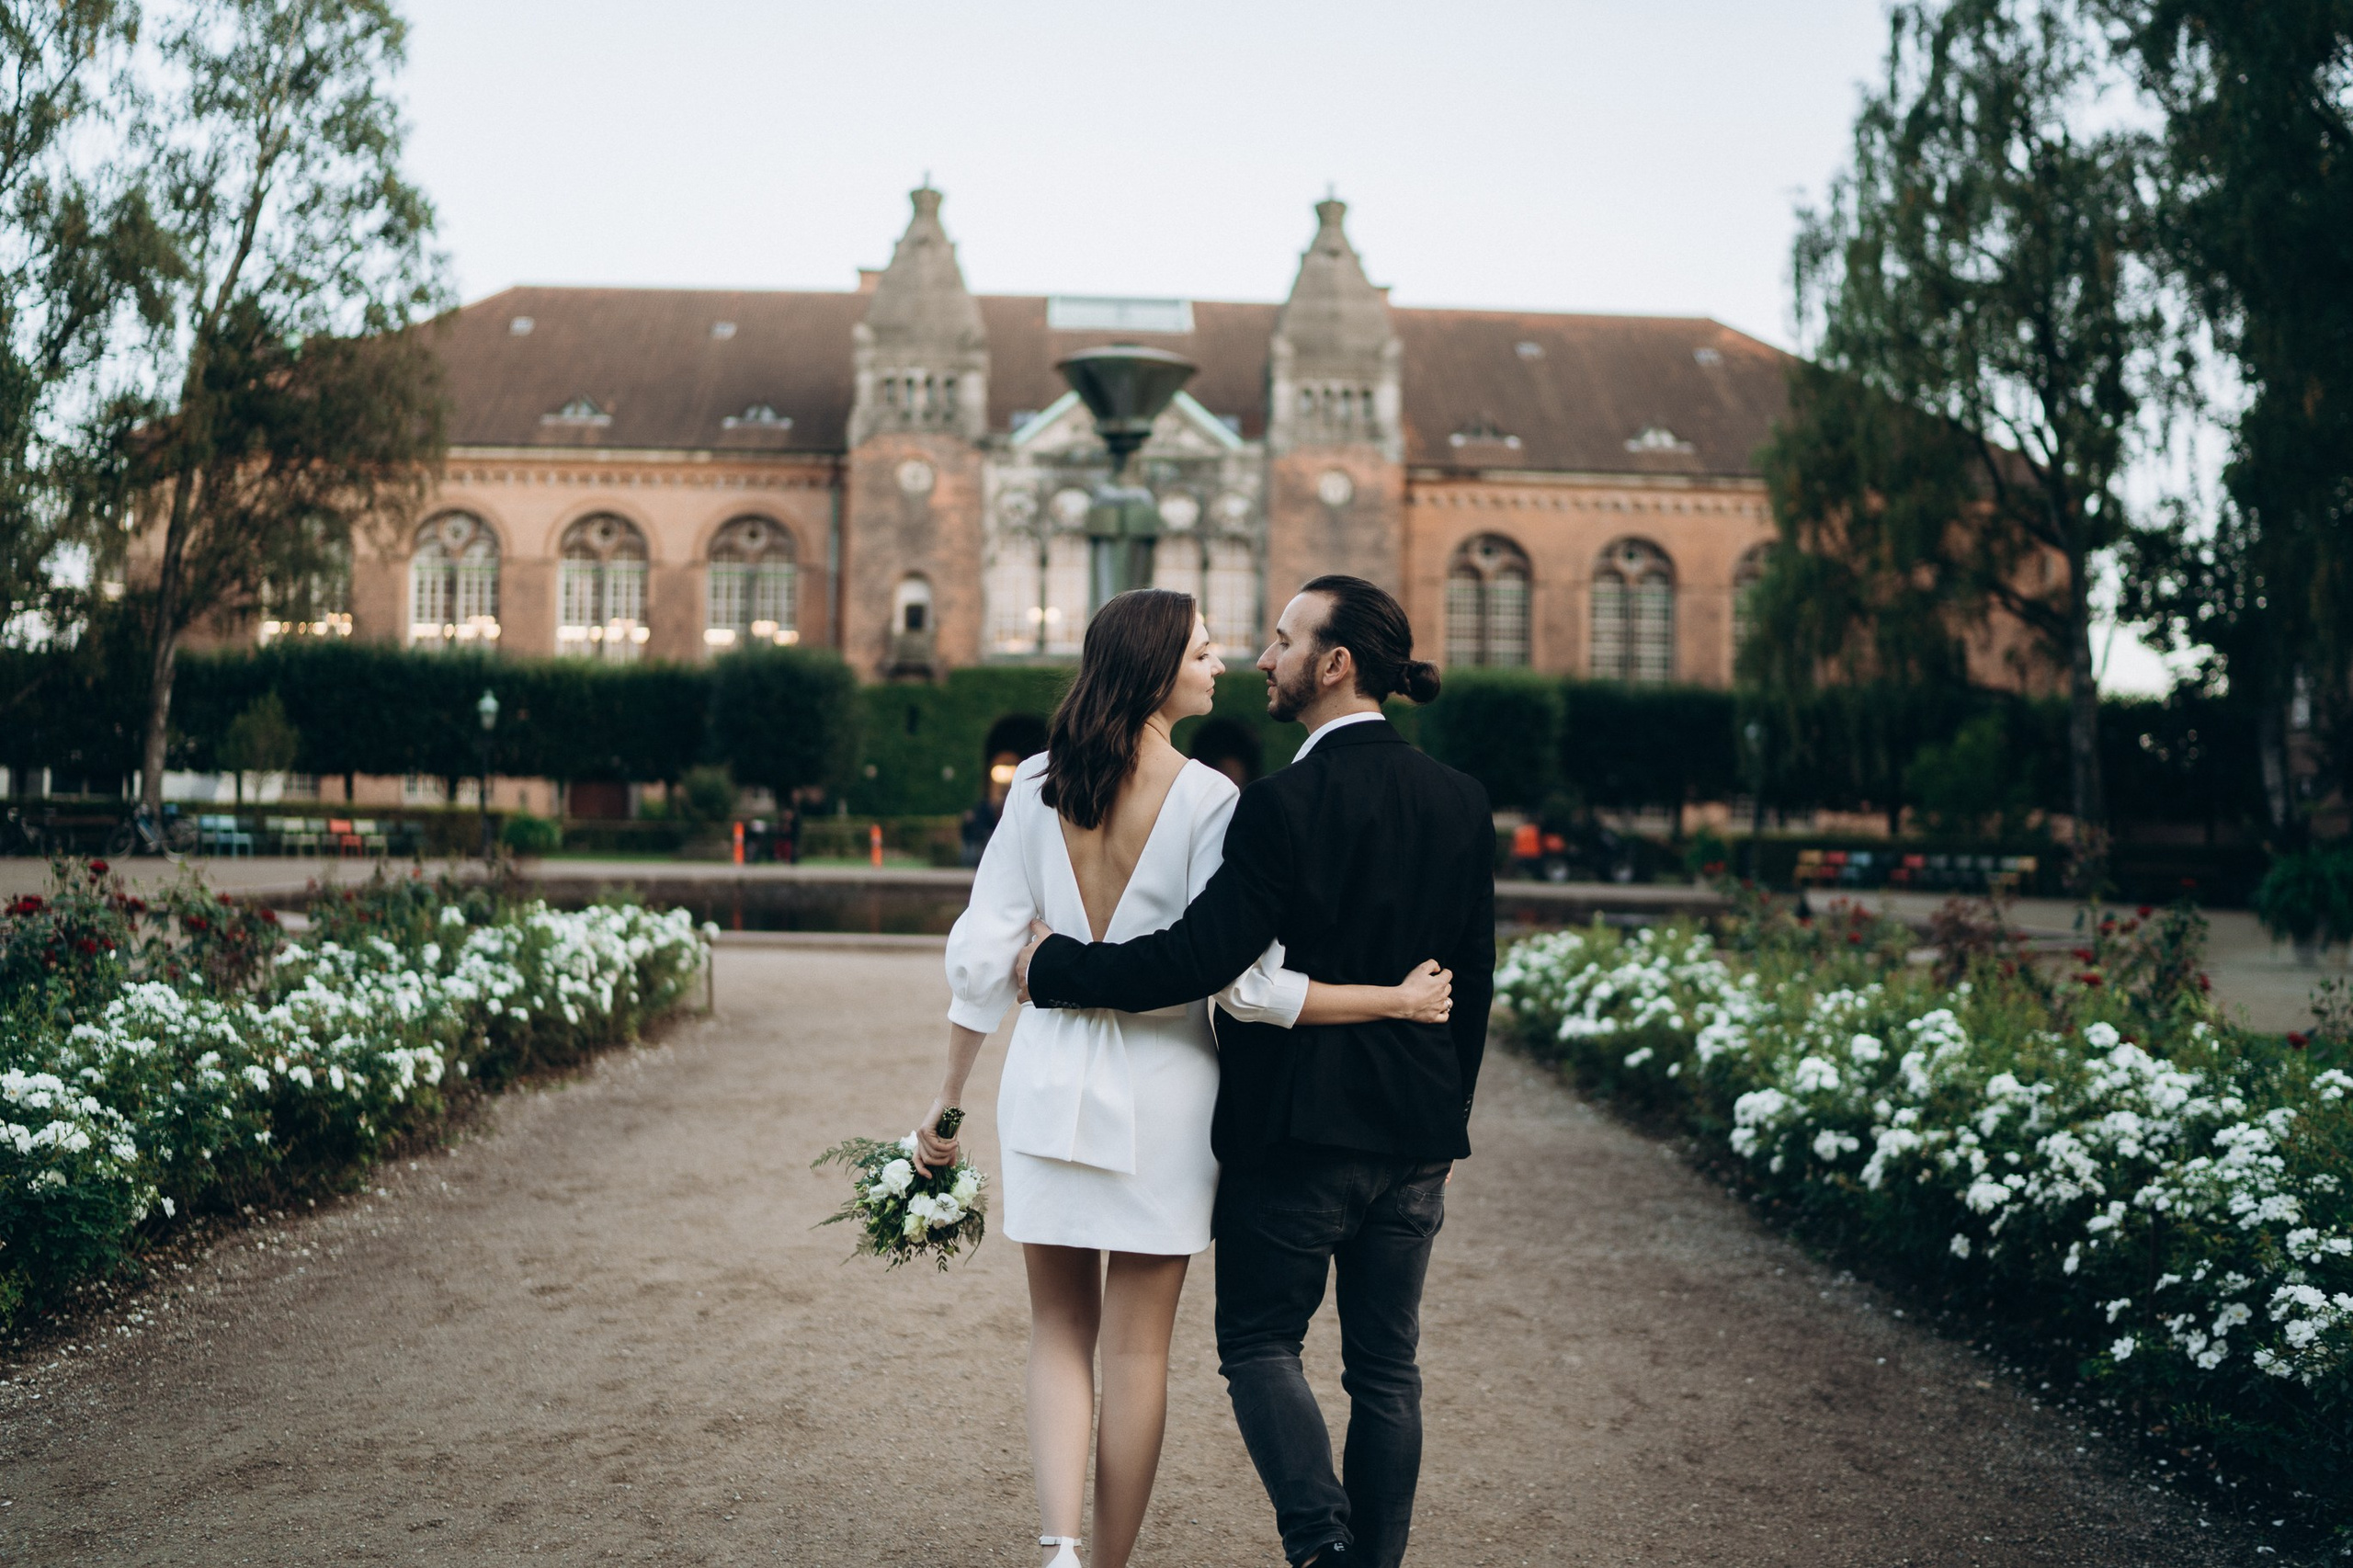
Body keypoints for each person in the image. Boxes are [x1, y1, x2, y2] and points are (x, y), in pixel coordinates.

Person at [913, 587, 1454, 1568]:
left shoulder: (1034, 779)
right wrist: (1388, 997)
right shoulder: (1214, 798)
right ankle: (1111, 1560)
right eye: (1204, 650)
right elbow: (1245, 982)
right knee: (1136, 1351)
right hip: (1165, 1091)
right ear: (1159, 666)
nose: (1224, 662)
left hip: (1044, 1082)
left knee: (1056, 1335)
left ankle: (1061, 1548)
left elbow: (981, 957)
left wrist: (941, 1114)